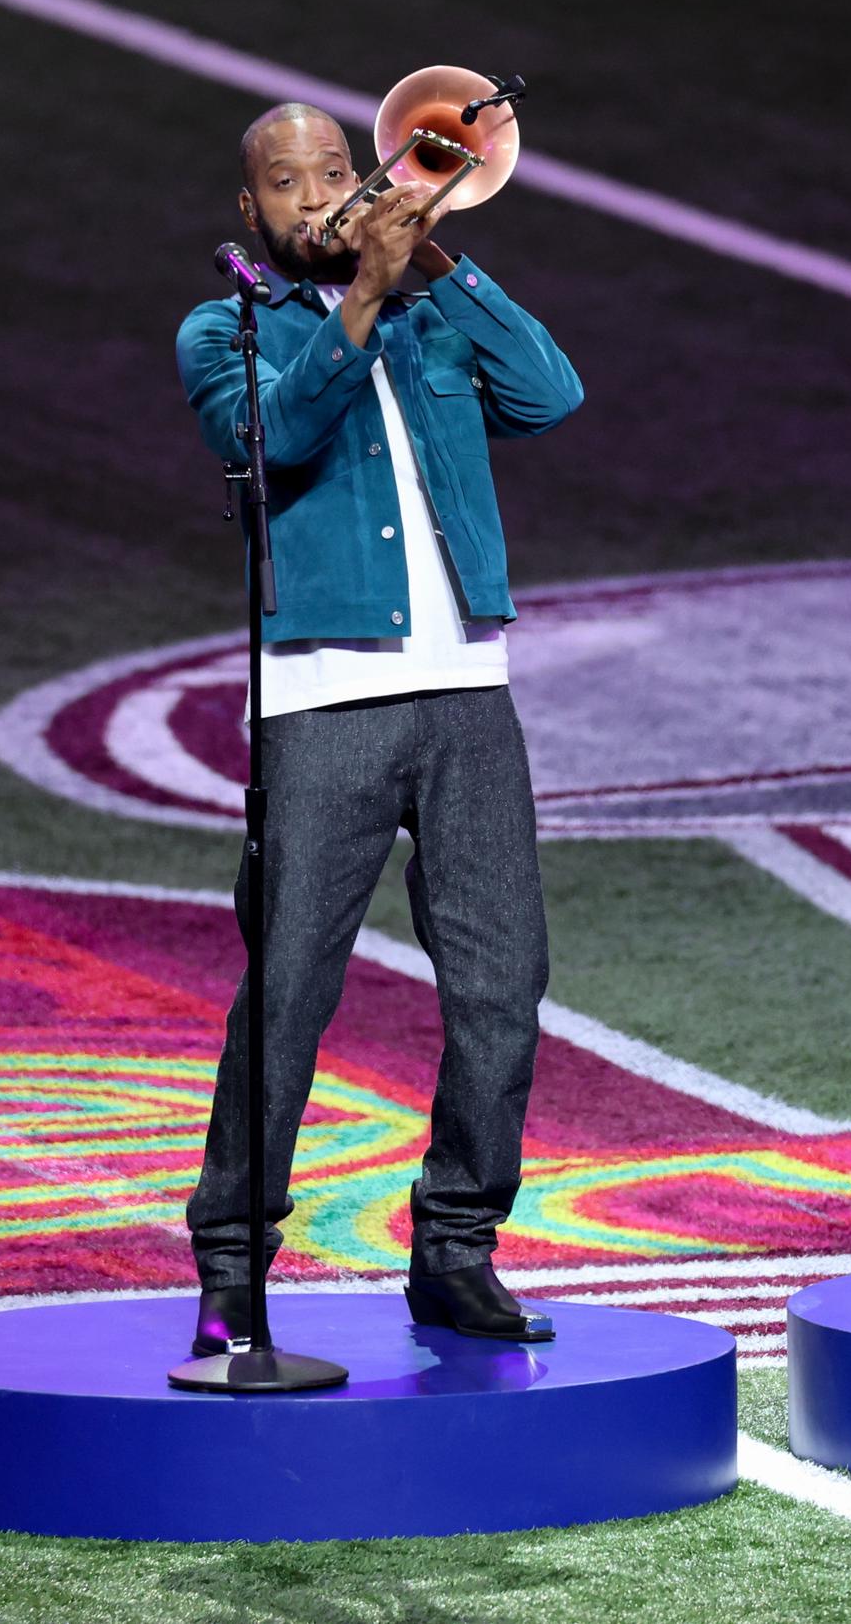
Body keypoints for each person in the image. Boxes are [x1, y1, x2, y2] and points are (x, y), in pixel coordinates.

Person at [174, 102, 583, 1352]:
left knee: (505, 982)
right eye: (289, 186)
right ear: (253, 210)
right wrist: (359, 301)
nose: (321, 198)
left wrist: (439, 257)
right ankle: (233, 1265)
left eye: (336, 173)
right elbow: (275, 433)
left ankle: (456, 1246)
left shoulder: (426, 304)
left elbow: (551, 393)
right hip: (321, 702)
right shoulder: (223, 329)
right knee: (291, 989)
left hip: (468, 690)